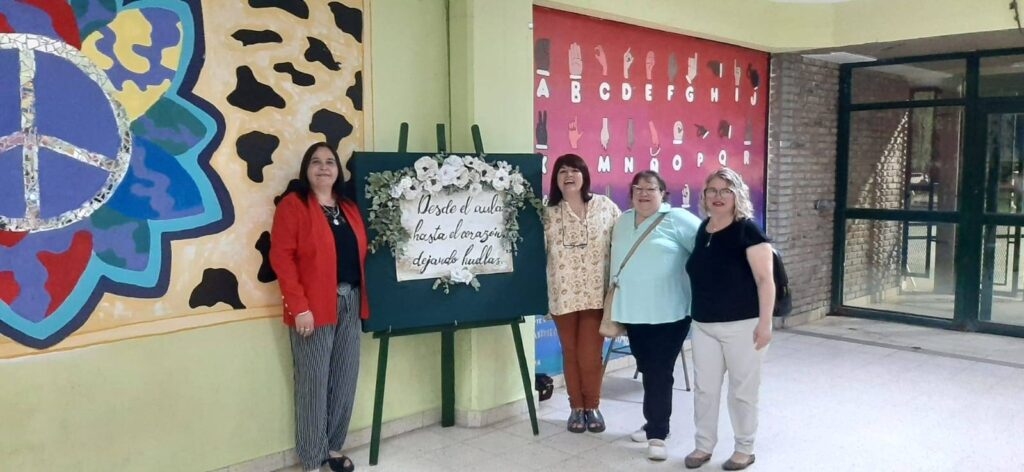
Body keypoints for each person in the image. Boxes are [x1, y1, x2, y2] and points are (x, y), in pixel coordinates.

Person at [270, 142, 369, 472]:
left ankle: (333, 447)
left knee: (344, 378)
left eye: (330, 162)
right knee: (313, 383)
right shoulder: (293, 206)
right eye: (316, 162)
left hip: (350, 301)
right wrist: (299, 308)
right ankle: (313, 459)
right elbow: (281, 258)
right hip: (313, 307)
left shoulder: (348, 208)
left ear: (338, 170)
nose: (324, 167)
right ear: (306, 169)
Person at [684, 167, 774, 471]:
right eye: (712, 190)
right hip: (704, 325)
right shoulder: (703, 229)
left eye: (726, 190)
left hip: (743, 325)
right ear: (704, 196)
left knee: (742, 390)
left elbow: (765, 280)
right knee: (705, 389)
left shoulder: (748, 230)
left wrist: (765, 323)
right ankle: (703, 445)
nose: (718, 196)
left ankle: (744, 449)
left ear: (737, 195)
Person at [608, 170, 700, 461]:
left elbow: (705, 252)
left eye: (651, 189)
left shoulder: (678, 219)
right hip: (634, 312)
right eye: (638, 189)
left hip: (670, 313)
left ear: (663, 194)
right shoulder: (622, 220)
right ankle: (653, 422)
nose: (644, 194)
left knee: (660, 371)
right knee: (648, 369)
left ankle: (658, 433)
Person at [543, 153, 621, 433]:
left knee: (590, 353)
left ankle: (593, 406)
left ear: (585, 175)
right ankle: (576, 407)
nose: (569, 175)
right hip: (562, 296)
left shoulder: (605, 206)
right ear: (556, 179)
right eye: (562, 171)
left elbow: (621, 242)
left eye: (575, 170)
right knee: (571, 352)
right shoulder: (547, 213)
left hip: (595, 295)